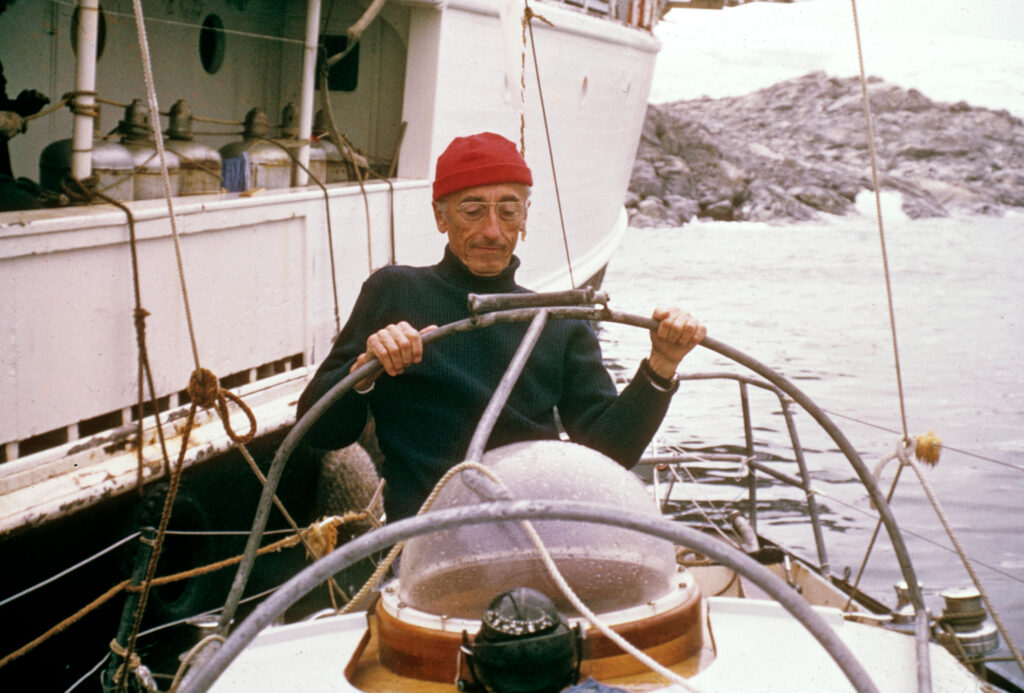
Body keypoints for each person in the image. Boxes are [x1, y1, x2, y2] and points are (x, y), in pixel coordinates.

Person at [297, 132, 705, 522]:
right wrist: (363, 374)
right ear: (440, 216)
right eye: (473, 211)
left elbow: (609, 451)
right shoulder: (394, 292)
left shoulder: (557, 320)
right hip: (422, 546)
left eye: (508, 211)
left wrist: (662, 364)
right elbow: (318, 433)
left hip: (534, 534)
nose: (492, 230)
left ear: (525, 218)